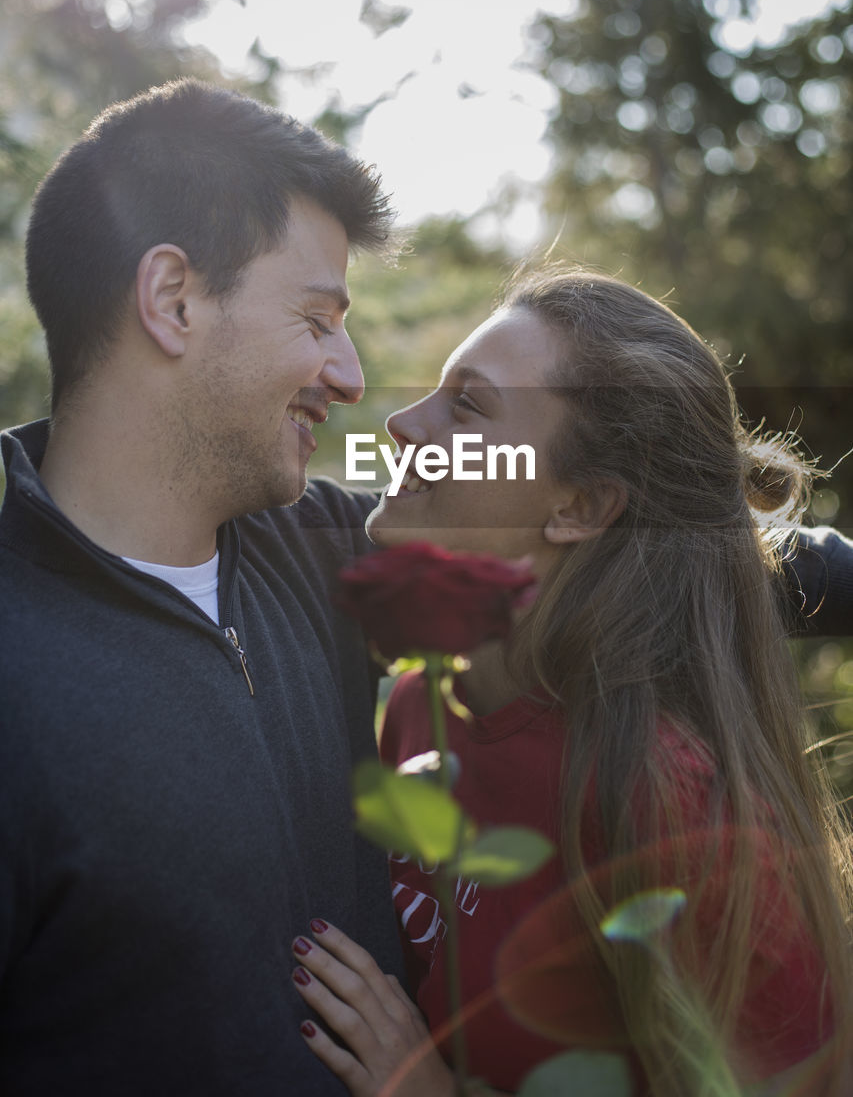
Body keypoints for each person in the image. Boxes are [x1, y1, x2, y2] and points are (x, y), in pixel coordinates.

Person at [289, 269, 853, 1095]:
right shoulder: (420, 706)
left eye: (468, 406)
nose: (404, 423)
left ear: (581, 507)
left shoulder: (667, 798)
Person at [0, 78, 407, 1095]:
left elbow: (612, 531)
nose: (349, 374)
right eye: (317, 317)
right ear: (173, 299)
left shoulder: (325, 550)